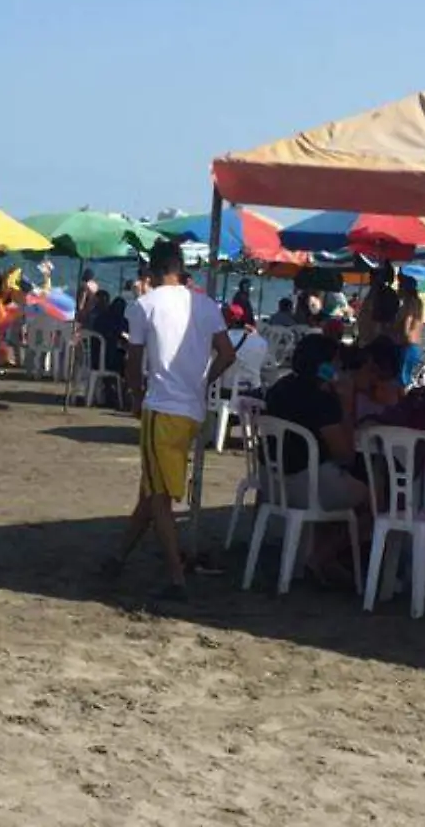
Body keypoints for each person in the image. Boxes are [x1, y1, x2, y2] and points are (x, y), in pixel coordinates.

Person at [105, 240, 238, 602]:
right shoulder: (206, 304)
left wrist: (134, 397)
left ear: (151, 270)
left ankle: (177, 576)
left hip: (162, 408)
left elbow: (132, 361)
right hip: (192, 412)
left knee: (159, 496)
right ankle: (118, 557)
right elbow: (227, 354)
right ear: (180, 267)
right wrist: (204, 379)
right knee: (152, 489)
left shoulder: (144, 306)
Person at [260, 334, 367, 578]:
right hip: (305, 485)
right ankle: (321, 556)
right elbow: (345, 454)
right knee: (371, 498)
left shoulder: (279, 388)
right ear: (326, 367)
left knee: (343, 484)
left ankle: (317, 554)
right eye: (337, 363)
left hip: (271, 482)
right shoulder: (323, 400)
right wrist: (346, 406)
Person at [222, 303, 267, 393]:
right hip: (253, 390)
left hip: (225, 390)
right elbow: (263, 366)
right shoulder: (261, 341)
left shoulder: (221, 340)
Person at [356, 264, 402, 347]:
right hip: (369, 339)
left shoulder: (385, 294)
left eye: (373, 274)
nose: (370, 277)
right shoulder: (374, 292)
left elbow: (382, 320)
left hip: (375, 341)